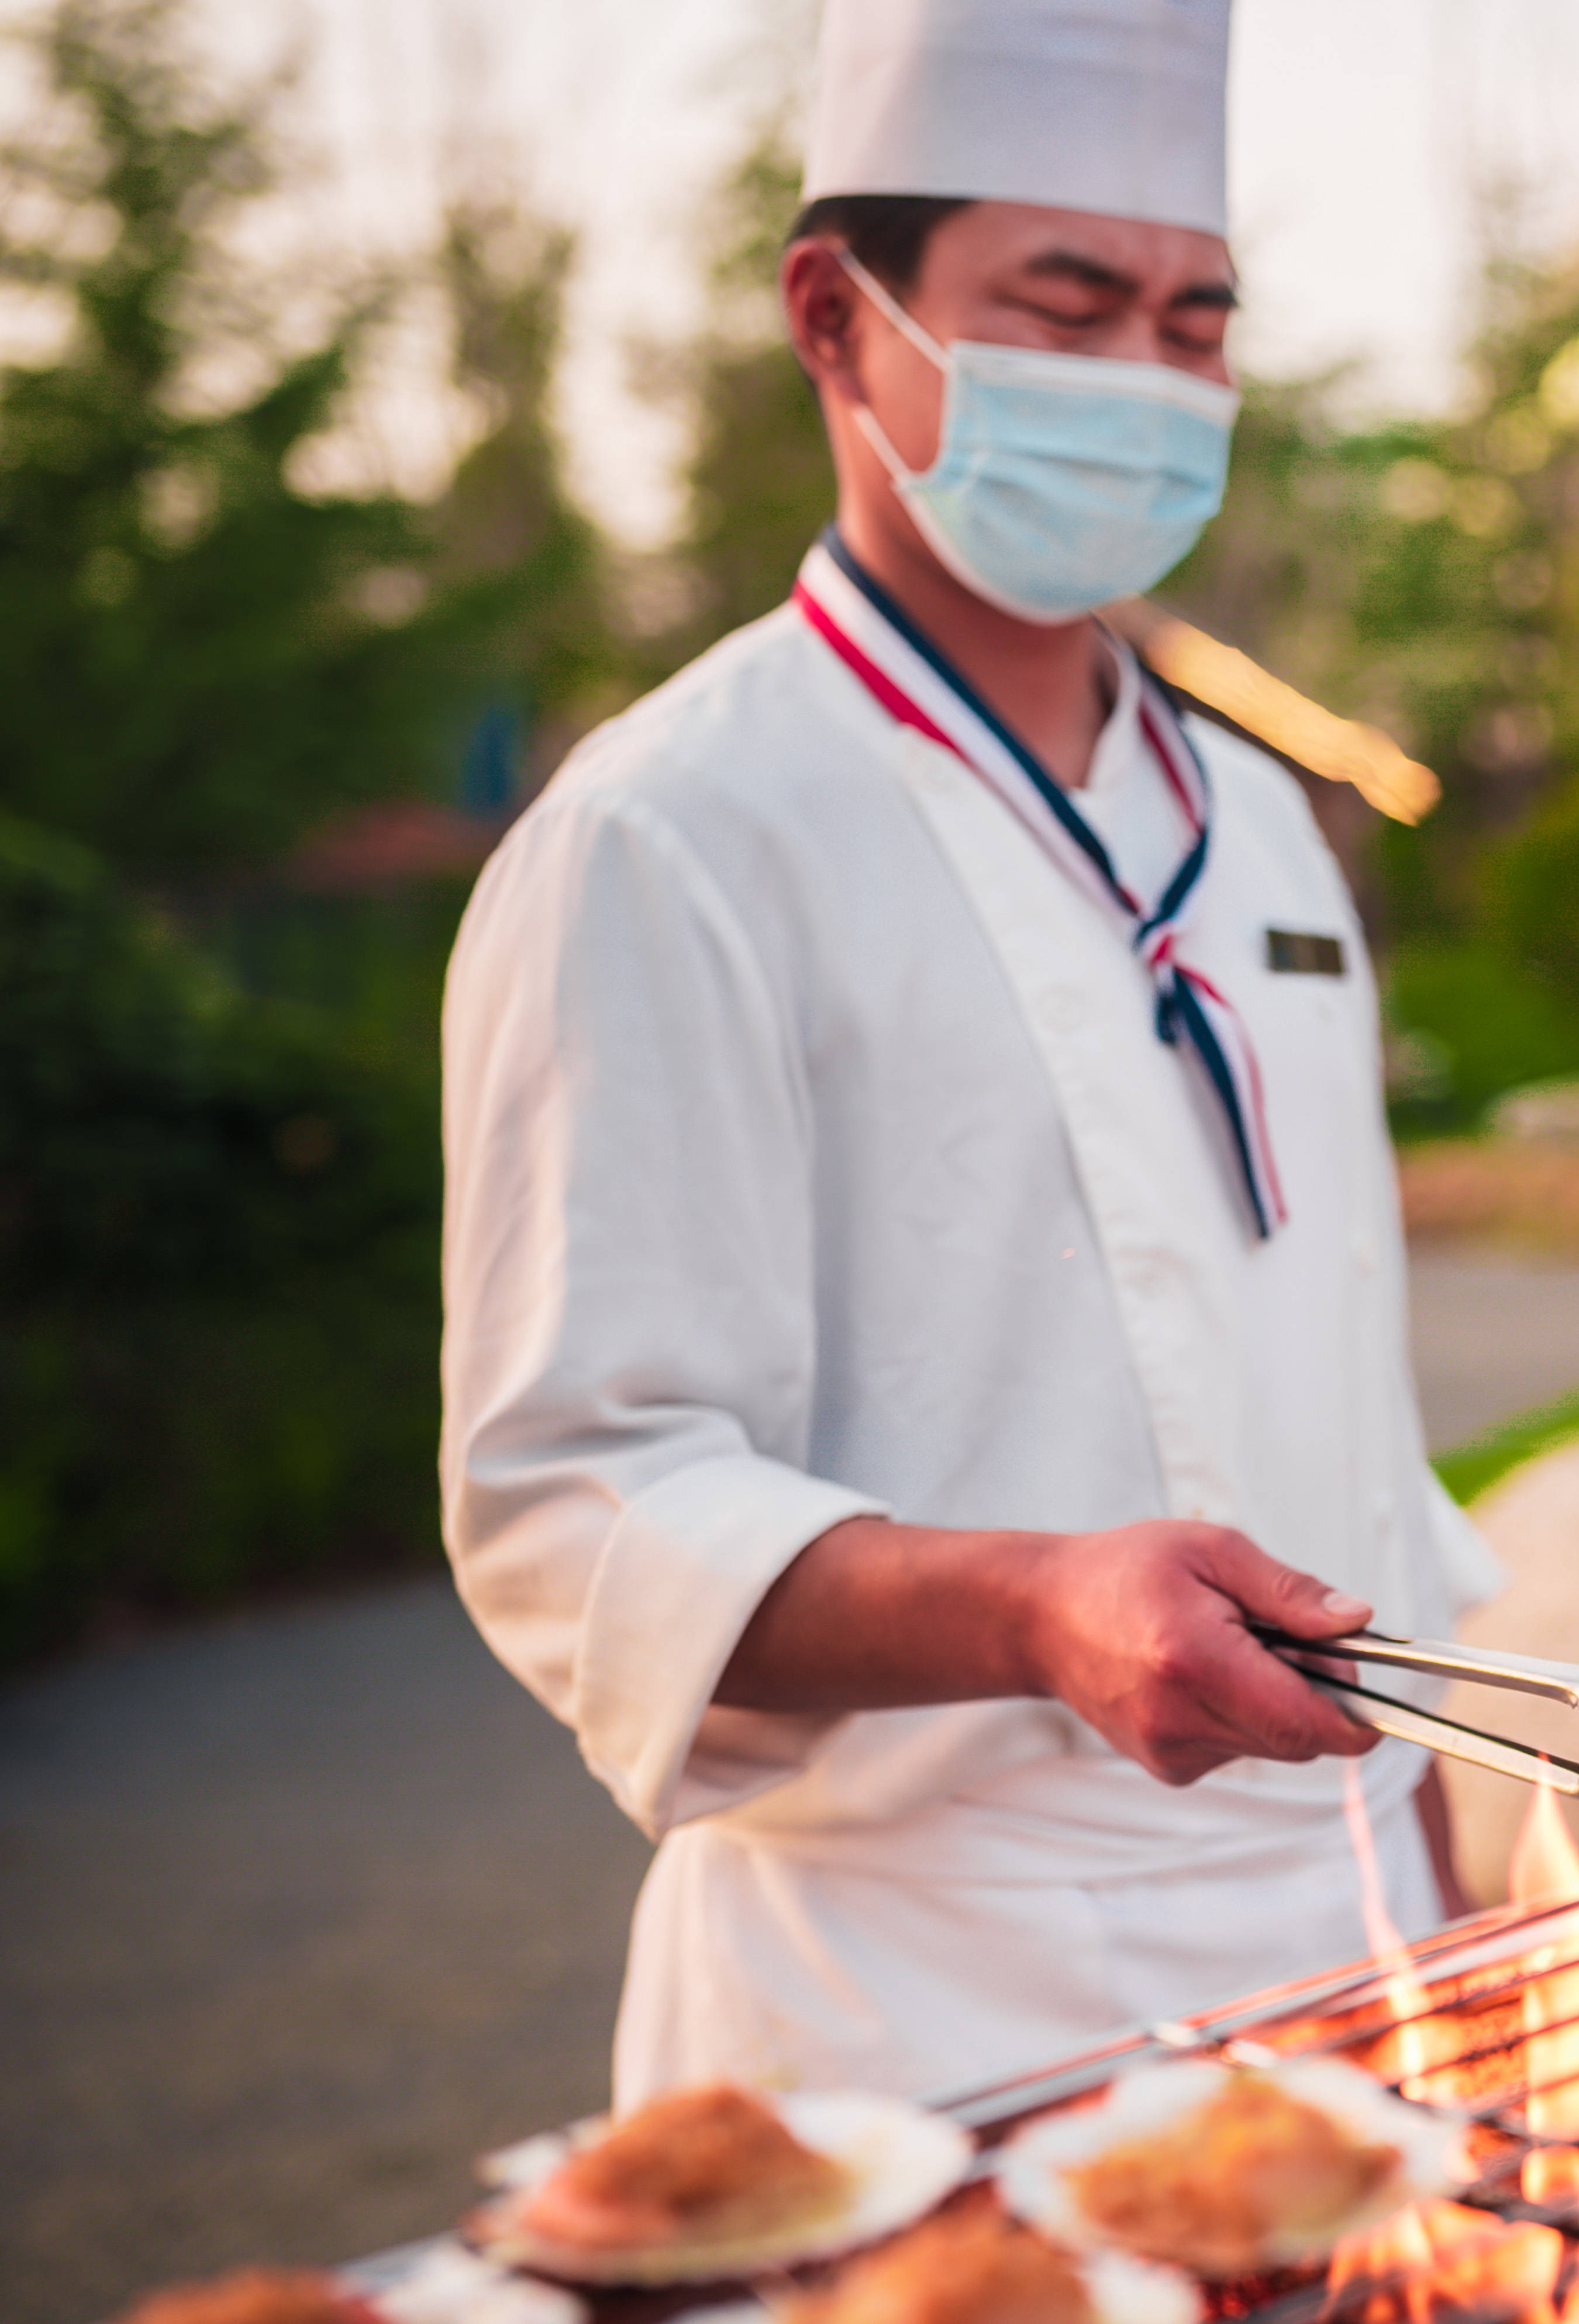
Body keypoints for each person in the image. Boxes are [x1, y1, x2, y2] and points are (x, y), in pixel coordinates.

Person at [437, 0, 1502, 2106]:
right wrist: (1036, 1606)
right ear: (836, 316)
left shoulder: (1261, 822)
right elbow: (582, 1514)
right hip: (914, 2012)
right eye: (1068, 304)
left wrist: (1473, 1916)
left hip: (1360, 1951)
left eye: (1198, 322)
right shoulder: (673, 833)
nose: (1147, 378)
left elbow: (1358, 1431)